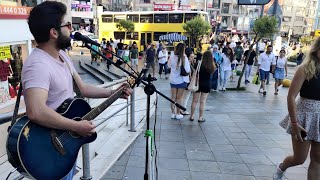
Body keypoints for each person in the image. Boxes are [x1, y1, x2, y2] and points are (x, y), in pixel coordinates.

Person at [22, 2, 132, 179]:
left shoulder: (62, 56)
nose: (71, 29)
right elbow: (36, 111)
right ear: (54, 32)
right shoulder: (37, 65)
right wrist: (76, 126)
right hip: (49, 148)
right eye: (67, 25)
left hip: (66, 143)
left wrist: (113, 93)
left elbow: (83, 88)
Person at [274, 37, 320, 180]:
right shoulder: (304, 69)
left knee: (317, 160)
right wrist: (294, 123)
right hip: (303, 118)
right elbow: (291, 96)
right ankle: (282, 167)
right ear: (316, 49)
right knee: (299, 159)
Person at [190, 51, 216, 122]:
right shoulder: (211, 65)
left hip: (197, 84)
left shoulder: (198, 63)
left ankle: (191, 116)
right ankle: (200, 117)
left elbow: (193, 72)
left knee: (194, 101)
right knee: (202, 101)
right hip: (206, 84)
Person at [169, 43, 191, 120]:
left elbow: (169, 66)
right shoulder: (184, 58)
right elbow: (188, 70)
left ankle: (172, 113)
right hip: (181, 80)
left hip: (173, 80)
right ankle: (178, 113)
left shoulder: (172, 56)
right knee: (179, 98)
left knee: (173, 97)